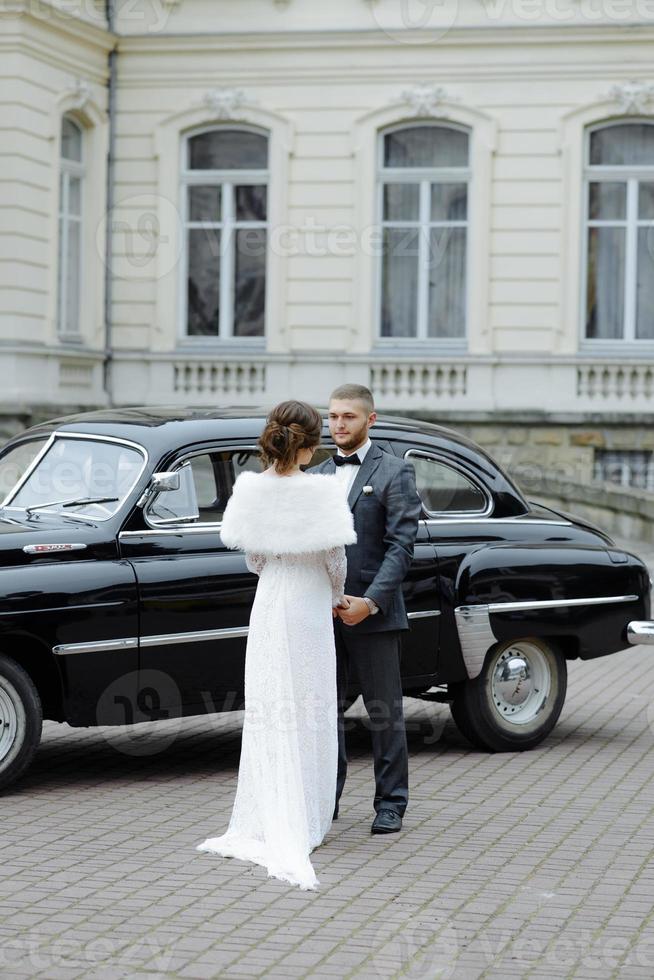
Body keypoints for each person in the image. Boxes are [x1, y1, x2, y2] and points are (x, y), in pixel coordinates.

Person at [196, 400, 356, 890]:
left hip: (269, 602)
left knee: (271, 704)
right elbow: (335, 562)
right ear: (309, 447)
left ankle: (266, 812)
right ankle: (306, 816)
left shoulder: (251, 490)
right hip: (308, 602)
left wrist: (282, 569)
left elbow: (256, 561)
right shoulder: (322, 492)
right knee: (309, 702)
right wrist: (335, 595)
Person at [314, 384, 420, 834]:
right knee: (326, 712)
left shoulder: (395, 473)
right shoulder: (315, 476)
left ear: (370, 420)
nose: (339, 425)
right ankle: (327, 798)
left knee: (384, 712)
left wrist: (371, 602)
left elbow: (401, 547)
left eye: (349, 417)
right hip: (321, 615)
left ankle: (391, 803)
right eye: (334, 416)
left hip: (373, 614)